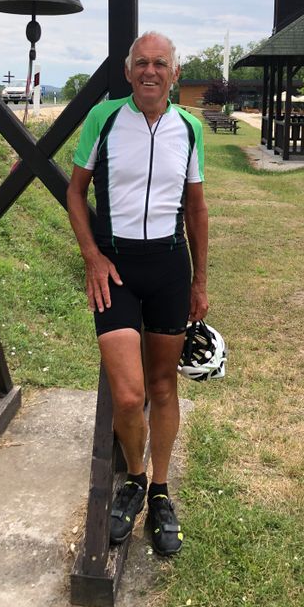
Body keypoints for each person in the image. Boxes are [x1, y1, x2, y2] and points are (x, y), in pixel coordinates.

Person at [67, 31, 209, 556]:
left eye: (160, 64)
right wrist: (91, 255)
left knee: (164, 386)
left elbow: (196, 209)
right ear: (129, 73)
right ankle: (132, 477)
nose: (150, 71)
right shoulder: (103, 119)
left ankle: (161, 490)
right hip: (117, 267)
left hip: (170, 267)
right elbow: (75, 192)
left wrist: (200, 279)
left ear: (174, 73)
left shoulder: (189, 129)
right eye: (142, 63)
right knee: (129, 395)